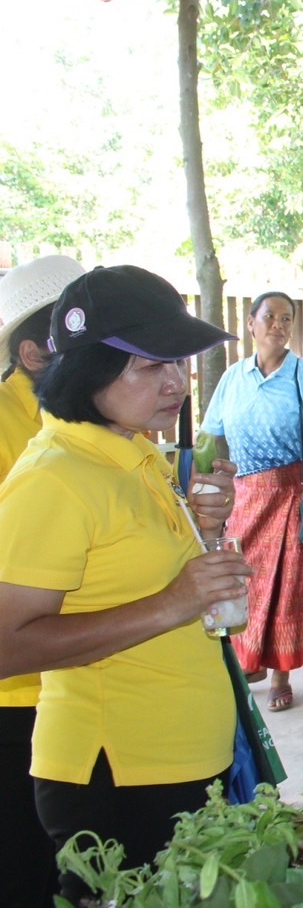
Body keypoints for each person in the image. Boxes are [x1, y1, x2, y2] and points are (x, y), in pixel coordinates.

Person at [0, 265, 245, 903]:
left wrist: (205, 532)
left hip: (183, 761)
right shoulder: (55, 475)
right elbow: (7, 646)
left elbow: (157, 587)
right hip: (117, 778)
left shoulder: (132, 453)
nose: (176, 382)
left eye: (181, 362)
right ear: (86, 370)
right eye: (148, 366)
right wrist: (172, 603)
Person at [200, 292, 303, 712]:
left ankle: (281, 674)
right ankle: (251, 661)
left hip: (295, 492)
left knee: (290, 586)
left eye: (286, 318)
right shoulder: (233, 378)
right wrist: (211, 486)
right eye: (270, 316)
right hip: (246, 496)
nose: (278, 324)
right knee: (247, 581)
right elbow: (211, 436)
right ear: (251, 324)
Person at [0, 254, 83, 907]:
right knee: (25, 868)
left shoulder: (97, 419)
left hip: (89, 685)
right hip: (19, 691)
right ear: (33, 352)